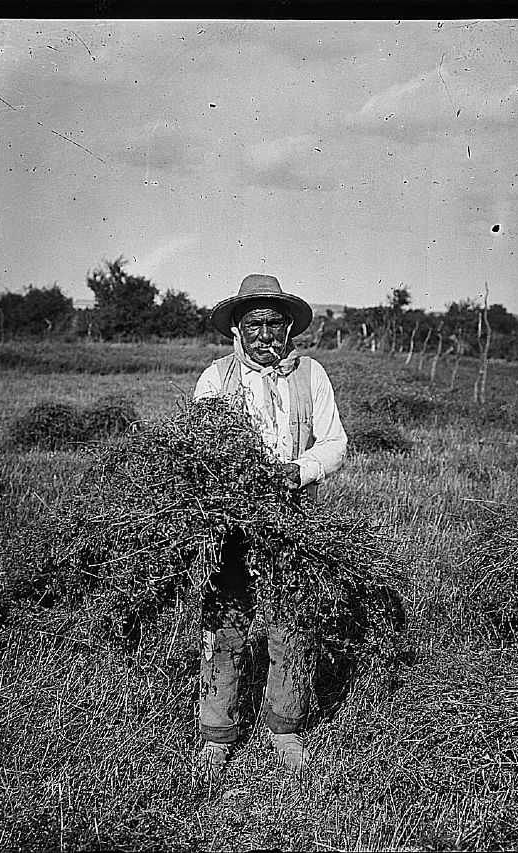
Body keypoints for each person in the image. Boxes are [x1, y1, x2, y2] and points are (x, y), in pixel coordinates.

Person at [193, 273, 348, 777]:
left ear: (289, 329)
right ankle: (217, 733)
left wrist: (298, 472)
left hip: (294, 518)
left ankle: (285, 727)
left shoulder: (311, 374)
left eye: (275, 325)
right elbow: (199, 449)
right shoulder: (215, 380)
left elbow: (334, 442)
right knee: (226, 623)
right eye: (255, 324)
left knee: (292, 622)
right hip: (231, 522)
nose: (266, 335)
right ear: (237, 330)